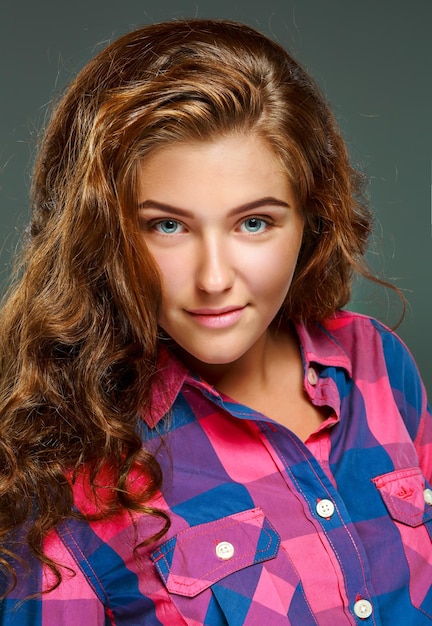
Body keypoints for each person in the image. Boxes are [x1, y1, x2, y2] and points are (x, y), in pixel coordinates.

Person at [0, 18, 430, 626]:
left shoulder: (377, 362)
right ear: (102, 235)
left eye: (254, 222)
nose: (213, 278)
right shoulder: (66, 463)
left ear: (312, 216)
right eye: (166, 226)